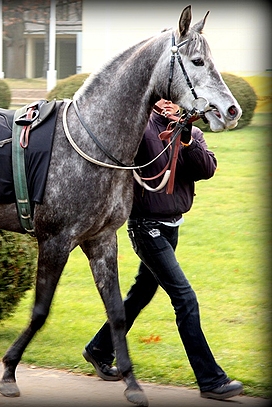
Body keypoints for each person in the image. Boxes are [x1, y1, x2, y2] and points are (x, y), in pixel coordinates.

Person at [82, 99, 243, 400]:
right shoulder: (141, 128)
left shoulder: (190, 131)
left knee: (141, 293)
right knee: (185, 298)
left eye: (174, 99)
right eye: (164, 98)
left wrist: (186, 139)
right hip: (146, 227)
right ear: (155, 98)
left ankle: (99, 349)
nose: (169, 103)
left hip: (172, 226)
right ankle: (211, 380)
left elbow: (206, 169)